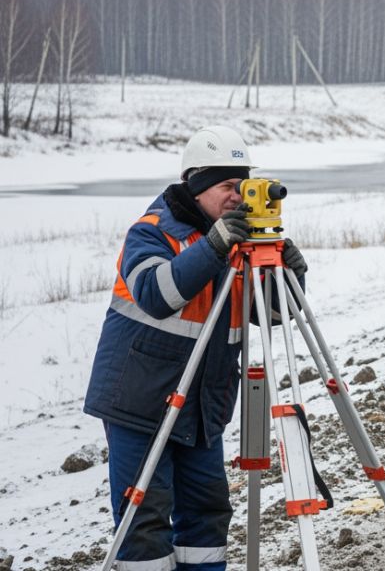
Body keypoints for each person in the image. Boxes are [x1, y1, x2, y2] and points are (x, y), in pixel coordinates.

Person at [85, 126, 309, 571]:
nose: (237, 197)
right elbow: (156, 292)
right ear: (198, 185)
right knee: (144, 521)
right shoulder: (152, 233)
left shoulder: (235, 242)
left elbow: (268, 317)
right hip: (141, 403)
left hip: (201, 408)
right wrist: (213, 246)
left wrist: (292, 278)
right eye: (228, 186)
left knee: (207, 517)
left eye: (242, 185)